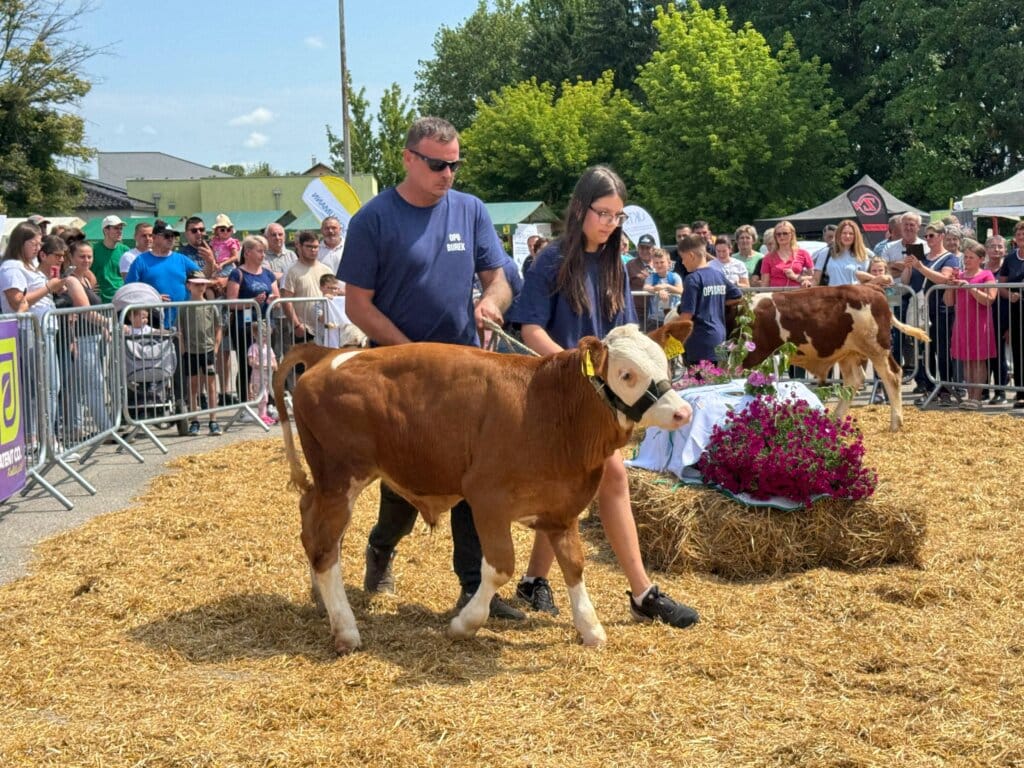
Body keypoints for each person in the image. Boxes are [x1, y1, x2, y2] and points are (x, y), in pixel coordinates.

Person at [338, 115, 520, 619]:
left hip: (466, 369)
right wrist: (411, 354)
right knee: (404, 476)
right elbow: (358, 305)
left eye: (455, 164)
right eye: (439, 164)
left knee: (471, 477)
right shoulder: (373, 219)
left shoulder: (470, 210)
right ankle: (381, 547)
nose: (449, 174)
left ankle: (474, 586)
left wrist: (491, 301)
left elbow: (498, 277)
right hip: (399, 375)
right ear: (409, 159)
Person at [508, 164, 699, 629]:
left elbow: (622, 334)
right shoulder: (550, 260)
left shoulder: (613, 262)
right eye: (603, 213)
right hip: (561, 392)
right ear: (579, 210)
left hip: (604, 395)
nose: (610, 223)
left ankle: (534, 582)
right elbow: (530, 328)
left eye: (617, 216)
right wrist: (576, 368)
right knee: (611, 477)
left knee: (574, 487)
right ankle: (642, 591)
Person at [902, 220, 961, 406]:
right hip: (922, 309)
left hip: (941, 308)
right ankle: (928, 387)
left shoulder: (950, 258)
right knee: (925, 350)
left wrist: (920, 267)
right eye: (926, 236)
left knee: (942, 350)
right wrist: (909, 266)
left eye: (932, 236)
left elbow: (943, 278)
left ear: (941, 236)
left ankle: (945, 389)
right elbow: (905, 282)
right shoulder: (924, 257)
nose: (928, 239)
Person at [225, 235, 279, 408]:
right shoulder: (237, 273)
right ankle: (244, 403)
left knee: (268, 364)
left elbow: (277, 296)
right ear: (247, 252)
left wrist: (271, 301)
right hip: (244, 327)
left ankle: (267, 402)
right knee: (247, 363)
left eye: (264, 251)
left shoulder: (268, 273)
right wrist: (253, 302)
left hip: (266, 326)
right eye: (259, 251)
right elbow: (231, 303)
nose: (263, 255)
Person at [676, 234, 744, 367]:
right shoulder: (717, 274)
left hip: (700, 342)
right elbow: (738, 296)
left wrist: (670, 332)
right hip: (721, 338)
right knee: (720, 380)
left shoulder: (692, 279)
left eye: (683, 258)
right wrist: (717, 302)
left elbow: (686, 316)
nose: (683, 263)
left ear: (691, 255)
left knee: (699, 384)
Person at [945, 242, 996, 408]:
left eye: (971, 257)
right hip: (961, 323)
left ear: (981, 259)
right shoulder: (959, 275)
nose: (966, 260)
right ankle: (969, 396)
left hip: (980, 323)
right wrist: (950, 285)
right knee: (967, 361)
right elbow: (948, 302)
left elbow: (989, 300)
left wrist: (970, 288)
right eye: (965, 257)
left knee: (979, 360)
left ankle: (977, 397)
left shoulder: (987, 274)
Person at [179, 271, 223, 436]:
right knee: (193, 385)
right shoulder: (183, 307)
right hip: (191, 351)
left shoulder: (211, 306)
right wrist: (183, 349)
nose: (200, 287)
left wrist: (216, 347)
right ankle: (194, 420)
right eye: (196, 284)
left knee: (211, 385)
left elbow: (218, 327)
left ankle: (213, 420)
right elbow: (181, 330)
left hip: (208, 350)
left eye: (203, 284)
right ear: (189, 286)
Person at [280, 230, 332, 344]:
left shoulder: (327, 270)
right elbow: (286, 301)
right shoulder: (291, 270)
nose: (313, 250)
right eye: (309, 246)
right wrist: (296, 326)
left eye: (316, 247)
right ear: (300, 246)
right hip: (304, 330)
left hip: (325, 329)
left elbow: (333, 295)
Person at [997, 220, 1024, 409]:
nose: (1022, 237)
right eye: (1020, 234)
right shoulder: (1010, 259)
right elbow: (1001, 285)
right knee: (1018, 351)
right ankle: (1021, 392)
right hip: (1016, 310)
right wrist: (1010, 295)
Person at [984, 235, 1009, 404]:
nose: (997, 249)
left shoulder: (1006, 270)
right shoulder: (980, 269)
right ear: (986, 249)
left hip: (1002, 316)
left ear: (1005, 250)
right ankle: (983, 389)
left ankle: (1000, 391)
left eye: (1000, 246)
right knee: (983, 355)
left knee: (998, 355)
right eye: (993, 246)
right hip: (981, 318)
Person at [814, 219, 872, 287]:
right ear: (839, 234)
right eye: (844, 233)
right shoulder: (826, 253)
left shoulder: (862, 254)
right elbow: (816, 280)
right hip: (831, 295)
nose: (847, 236)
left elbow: (866, 281)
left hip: (854, 295)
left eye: (851, 233)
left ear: (856, 236)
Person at [315, 273, 366, 348]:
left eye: (336, 288)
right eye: (331, 288)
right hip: (324, 341)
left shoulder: (343, 301)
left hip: (344, 340)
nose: (334, 291)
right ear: (321, 288)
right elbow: (322, 319)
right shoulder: (318, 304)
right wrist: (327, 303)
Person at [761, 220, 815, 287]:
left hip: (797, 294)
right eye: (778, 234)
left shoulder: (803, 253)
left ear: (792, 234)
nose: (781, 236)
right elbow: (764, 284)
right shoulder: (768, 257)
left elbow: (814, 277)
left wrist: (796, 277)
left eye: (785, 233)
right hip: (776, 295)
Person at [246, 320, 278, 426]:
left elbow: (274, 361)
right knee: (262, 396)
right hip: (257, 376)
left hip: (267, 377)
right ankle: (261, 415)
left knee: (266, 396)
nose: (265, 338)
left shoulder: (269, 348)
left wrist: (273, 365)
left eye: (266, 336)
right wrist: (262, 365)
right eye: (262, 335)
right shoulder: (254, 347)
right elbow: (251, 361)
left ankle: (263, 414)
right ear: (255, 335)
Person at [643, 247, 683, 327]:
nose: (659, 265)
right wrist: (657, 290)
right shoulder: (651, 277)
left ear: (669, 263)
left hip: (672, 316)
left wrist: (666, 286)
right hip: (655, 318)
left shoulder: (675, 276)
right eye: (656, 263)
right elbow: (646, 287)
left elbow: (681, 290)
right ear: (653, 264)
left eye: (662, 262)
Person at [91, 215, 128, 302]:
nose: (120, 231)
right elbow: (81, 270)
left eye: (121, 228)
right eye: (116, 228)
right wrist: (87, 287)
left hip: (121, 299)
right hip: (100, 301)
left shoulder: (125, 250)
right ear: (106, 230)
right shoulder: (93, 250)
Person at [626, 233, 656, 321]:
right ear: (637, 248)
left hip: (658, 313)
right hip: (637, 313)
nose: (644, 251)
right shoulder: (630, 265)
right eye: (641, 248)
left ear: (653, 249)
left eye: (648, 248)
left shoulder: (660, 262)